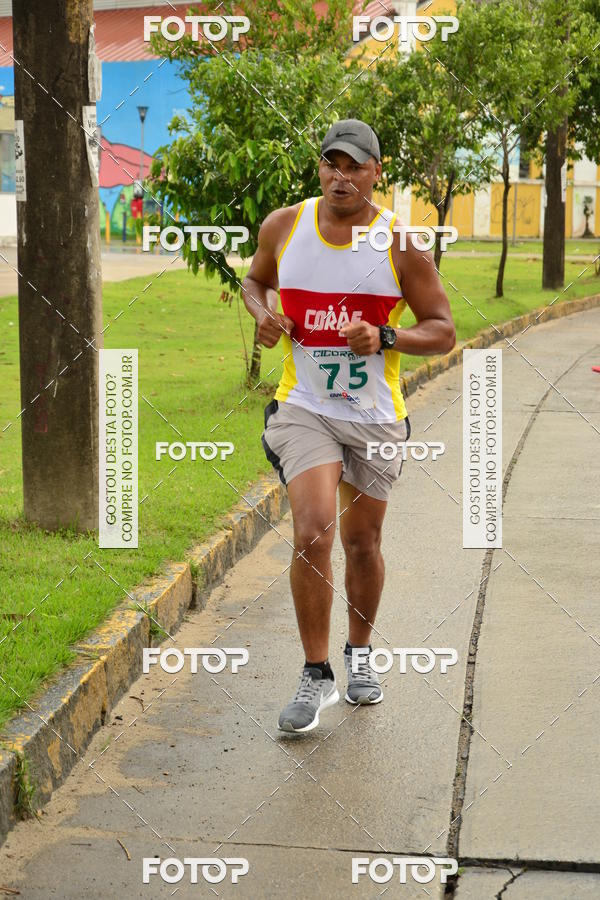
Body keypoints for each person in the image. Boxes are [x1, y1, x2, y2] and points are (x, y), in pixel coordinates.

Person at [241, 119, 455, 733]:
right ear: (320, 169)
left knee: (363, 544)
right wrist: (263, 314)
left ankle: (359, 653)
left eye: (355, 165)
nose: (342, 175)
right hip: (304, 406)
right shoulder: (285, 226)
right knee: (313, 533)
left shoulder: (400, 243)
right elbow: (256, 281)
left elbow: (442, 330)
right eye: (332, 163)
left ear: (376, 172)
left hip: (374, 418)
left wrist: (386, 335)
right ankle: (315, 674)